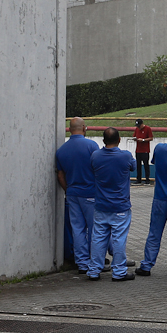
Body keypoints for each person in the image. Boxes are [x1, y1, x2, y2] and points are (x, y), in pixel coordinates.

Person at [86, 128, 137, 280]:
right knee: (119, 239)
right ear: (119, 139)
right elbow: (133, 167)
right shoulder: (125, 156)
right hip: (120, 206)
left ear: (103, 140)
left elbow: (92, 169)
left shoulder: (95, 156)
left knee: (98, 238)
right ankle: (119, 272)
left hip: (101, 205)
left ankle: (94, 270)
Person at [137, 128, 167, 277]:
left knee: (154, 231)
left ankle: (146, 265)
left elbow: (154, 162)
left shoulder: (159, 148)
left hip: (160, 196)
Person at [54, 117, 100, 274]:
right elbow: (98, 168)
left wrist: (68, 189)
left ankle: (82, 263)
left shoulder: (61, 150)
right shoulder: (91, 146)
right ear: (84, 128)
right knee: (95, 229)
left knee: (77, 229)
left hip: (72, 194)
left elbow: (60, 175)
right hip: (90, 193)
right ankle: (96, 262)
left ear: (69, 129)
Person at [132, 119, 153, 183]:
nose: (138, 127)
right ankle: (139, 179)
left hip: (145, 150)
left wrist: (143, 140)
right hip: (138, 150)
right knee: (138, 165)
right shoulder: (136, 129)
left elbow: (151, 138)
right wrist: (135, 139)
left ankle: (147, 179)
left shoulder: (147, 128)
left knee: (146, 164)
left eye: (139, 126)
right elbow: (134, 136)